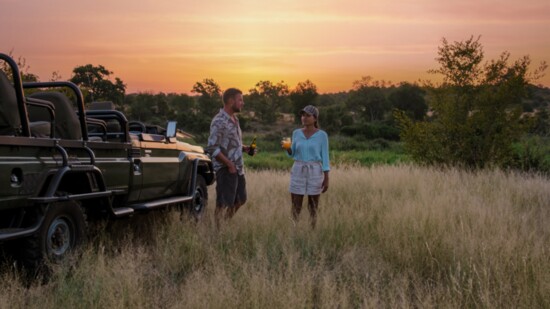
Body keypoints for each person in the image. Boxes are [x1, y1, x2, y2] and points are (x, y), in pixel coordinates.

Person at [207, 88, 254, 228]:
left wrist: (244, 148)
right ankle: (217, 230)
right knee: (222, 203)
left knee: (241, 199)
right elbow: (212, 148)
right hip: (225, 169)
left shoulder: (235, 119)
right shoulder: (218, 121)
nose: (242, 103)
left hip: (238, 168)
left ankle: (225, 224)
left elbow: (232, 143)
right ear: (230, 101)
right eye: (240, 100)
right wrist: (229, 165)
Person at [283, 105, 330, 228]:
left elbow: (325, 157)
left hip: (315, 170)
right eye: (303, 115)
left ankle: (312, 230)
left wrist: (326, 177)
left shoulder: (322, 135)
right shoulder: (296, 133)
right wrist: (287, 148)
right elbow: (292, 153)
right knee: (296, 204)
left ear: (315, 118)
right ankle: (294, 230)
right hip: (298, 169)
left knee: (313, 205)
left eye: (308, 115)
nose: (304, 118)